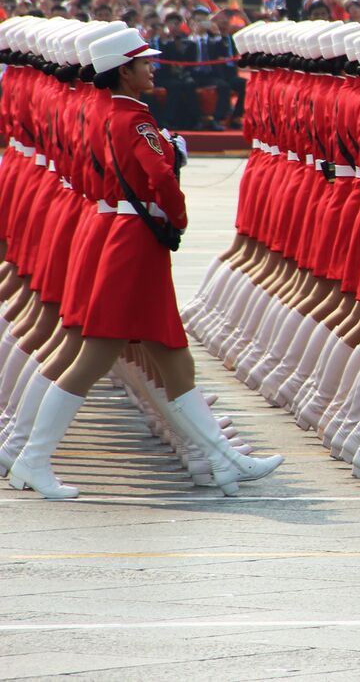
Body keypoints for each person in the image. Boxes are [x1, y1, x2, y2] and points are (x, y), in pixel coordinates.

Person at [5, 25, 283, 499]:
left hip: (115, 230)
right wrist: (177, 212)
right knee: (92, 356)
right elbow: (159, 176)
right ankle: (31, 456)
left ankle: (223, 458)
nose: (151, 68)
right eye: (142, 63)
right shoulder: (135, 120)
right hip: (132, 241)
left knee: (173, 357)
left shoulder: (103, 110)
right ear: (123, 71)